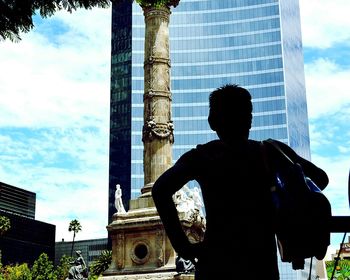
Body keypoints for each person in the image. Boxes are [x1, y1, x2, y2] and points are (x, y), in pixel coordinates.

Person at [152, 84, 329, 279]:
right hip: (261, 264)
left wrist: (183, 246)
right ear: (249, 120)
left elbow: (160, 190)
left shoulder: (202, 156)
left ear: (212, 122)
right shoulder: (271, 151)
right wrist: (286, 192)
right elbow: (320, 179)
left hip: (216, 262)